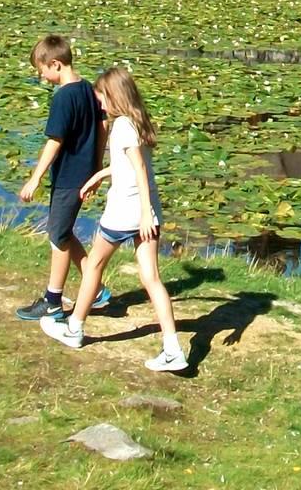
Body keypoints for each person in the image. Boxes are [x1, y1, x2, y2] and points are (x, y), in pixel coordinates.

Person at [40, 66, 188, 373]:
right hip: (147, 214)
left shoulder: (122, 127)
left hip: (126, 213)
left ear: (115, 96)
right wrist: (101, 175)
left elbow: (139, 171)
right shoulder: (138, 121)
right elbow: (131, 163)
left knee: (93, 265)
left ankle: (74, 329)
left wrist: (144, 211)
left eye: (103, 98)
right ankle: (173, 349)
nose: (101, 105)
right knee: (151, 279)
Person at [16, 35, 110, 321]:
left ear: (55, 64)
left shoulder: (64, 97)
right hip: (83, 173)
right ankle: (96, 291)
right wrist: (95, 166)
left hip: (69, 177)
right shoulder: (89, 90)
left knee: (57, 236)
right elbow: (103, 125)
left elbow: (55, 141)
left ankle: (53, 301)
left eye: (41, 70)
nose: (41, 77)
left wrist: (34, 179)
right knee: (65, 231)